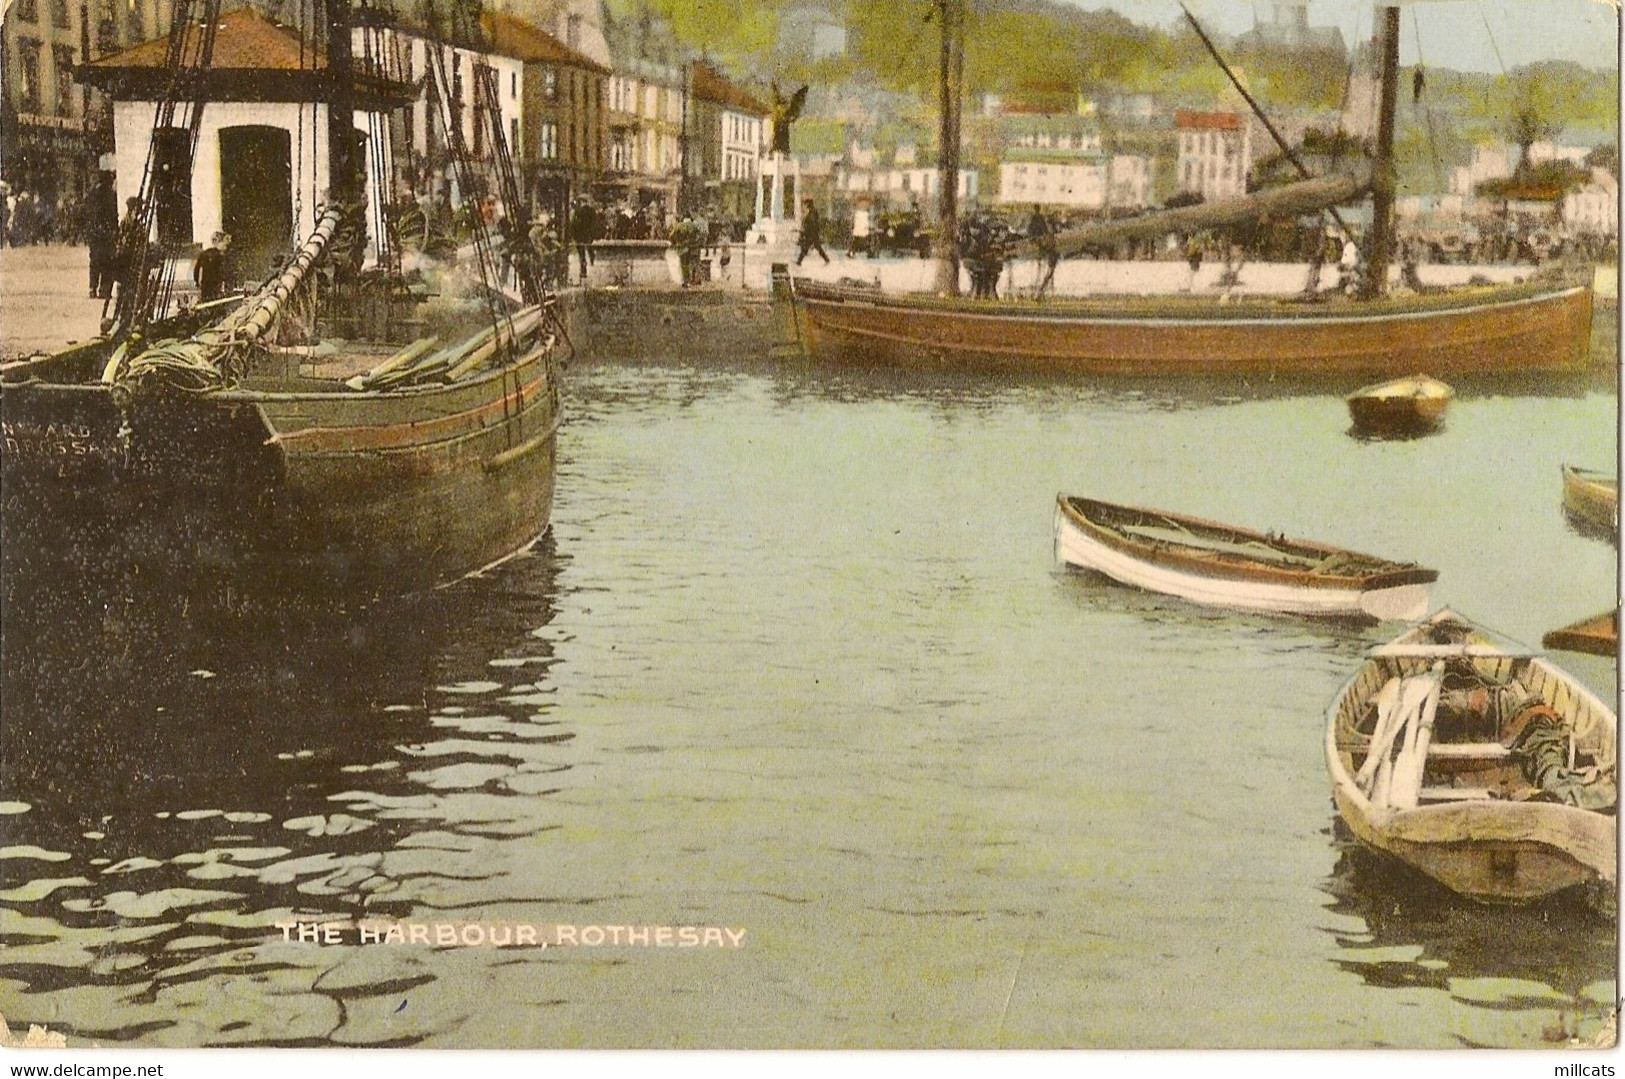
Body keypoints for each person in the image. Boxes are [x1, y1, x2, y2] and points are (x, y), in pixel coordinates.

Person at [85, 173, 119, 298]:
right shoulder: (110, 195)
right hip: (106, 235)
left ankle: (92, 288)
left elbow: (87, 214)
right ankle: (104, 290)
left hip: (95, 234)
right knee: (107, 262)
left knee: (95, 262)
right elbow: (113, 215)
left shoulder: (92, 195)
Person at [1028, 204, 1057, 295]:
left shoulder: (1034, 218)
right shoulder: (1040, 218)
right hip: (1040, 238)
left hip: (1037, 238)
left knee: (1042, 263)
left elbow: (1030, 228)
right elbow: (1043, 228)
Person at [194, 231, 231, 302]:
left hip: (205, 285)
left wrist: (197, 282)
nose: (225, 248)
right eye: (225, 245)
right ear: (218, 242)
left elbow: (197, 269)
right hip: (215, 285)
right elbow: (223, 272)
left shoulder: (203, 254)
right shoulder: (220, 257)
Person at [569, 200, 598, 282]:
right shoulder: (591, 211)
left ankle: (583, 270)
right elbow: (594, 223)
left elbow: (574, 224)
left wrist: (574, 235)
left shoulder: (578, 211)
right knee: (589, 247)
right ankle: (592, 258)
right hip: (588, 235)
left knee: (581, 254)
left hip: (579, 235)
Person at [796, 199, 829, 266]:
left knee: (807, 248)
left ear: (808, 204)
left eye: (805, 204)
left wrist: (805, 231)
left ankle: (799, 261)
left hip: (811, 234)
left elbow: (812, 224)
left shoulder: (812, 213)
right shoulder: (811, 212)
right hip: (812, 234)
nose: (804, 206)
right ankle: (826, 259)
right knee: (817, 247)